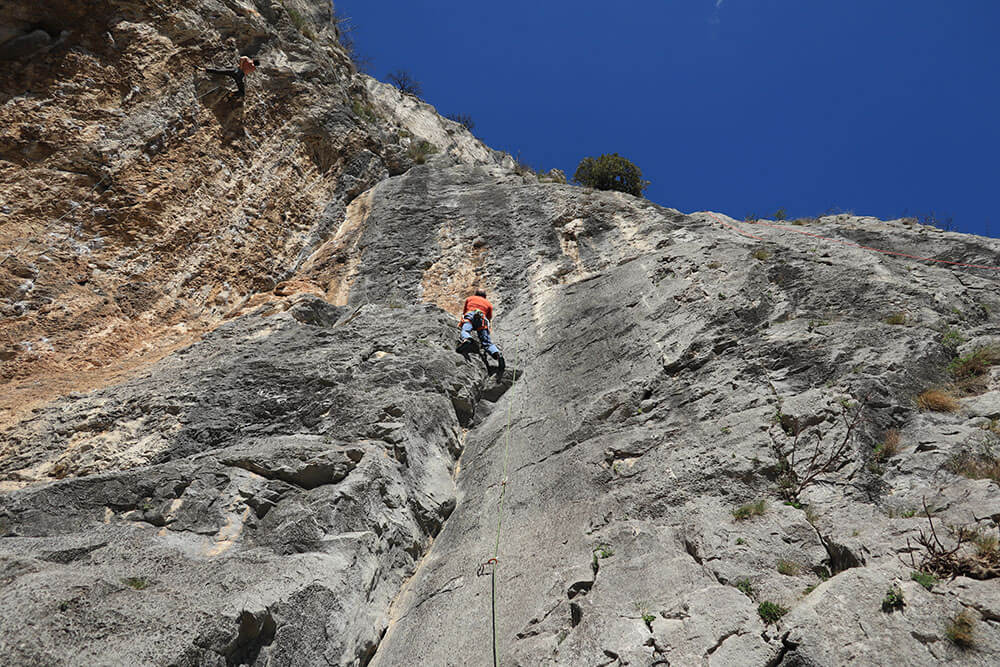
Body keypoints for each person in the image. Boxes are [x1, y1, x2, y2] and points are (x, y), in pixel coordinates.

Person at [457, 289, 505, 378]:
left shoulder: (470, 298)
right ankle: (497, 353)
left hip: (470, 315)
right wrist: (487, 330)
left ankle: (467, 339)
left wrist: (461, 324)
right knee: (487, 343)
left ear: (476, 294)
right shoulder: (488, 304)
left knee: (465, 331)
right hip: (482, 319)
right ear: (485, 296)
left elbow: (464, 312)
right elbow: (489, 318)